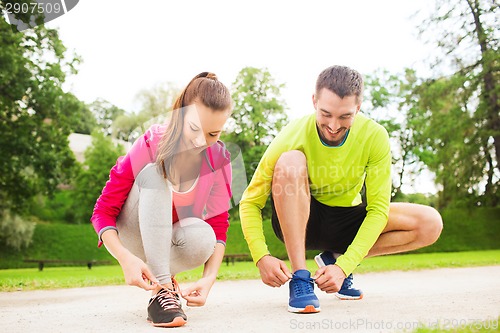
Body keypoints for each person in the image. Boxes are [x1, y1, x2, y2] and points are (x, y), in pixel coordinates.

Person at [239, 65, 443, 313]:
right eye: (326, 114)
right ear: (314, 102)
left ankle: (333, 259)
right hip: (303, 219)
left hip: (347, 221)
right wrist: (261, 255)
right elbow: (251, 201)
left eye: (345, 116)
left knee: (430, 222)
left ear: (358, 107)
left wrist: (343, 266)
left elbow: (378, 210)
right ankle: (301, 278)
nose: (334, 126)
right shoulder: (291, 133)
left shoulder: (375, 136)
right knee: (290, 161)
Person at [91, 72, 233, 327]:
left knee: (204, 236)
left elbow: (219, 225)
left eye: (212, 134)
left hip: (168, 241)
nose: (201, 142)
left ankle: (165, 280)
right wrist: (125, 258)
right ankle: (163, 291)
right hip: (133, 233)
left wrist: (209, 278)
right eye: (194, 128)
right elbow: (102, 211)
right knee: (155, 173)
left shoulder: (220, 160)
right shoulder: (152, 142)